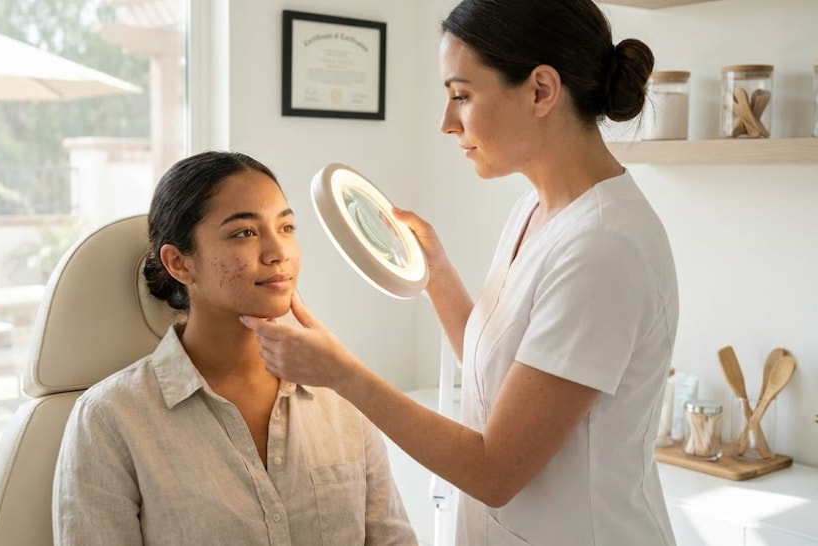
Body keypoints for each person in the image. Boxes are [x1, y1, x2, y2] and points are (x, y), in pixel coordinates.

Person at [241, 1, 679, 545]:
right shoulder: (535, 211)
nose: (447, 124)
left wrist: (343, 375)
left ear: (541, 90)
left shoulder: (605, 246)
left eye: (462, 96)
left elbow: (496, 471)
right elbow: (496, 377)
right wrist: (439, 277)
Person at [53, 151, 417, 545]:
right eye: (245, 232)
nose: (279, 252)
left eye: (287, 226)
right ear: (179, 264)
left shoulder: (342, 397)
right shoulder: (110, 420)